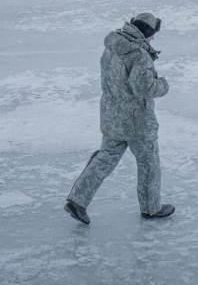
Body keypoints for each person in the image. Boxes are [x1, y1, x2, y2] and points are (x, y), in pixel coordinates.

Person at [65, 12, 174, 224]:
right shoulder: (139, 55)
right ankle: (151, 208)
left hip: (112, 115)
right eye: (152, 35)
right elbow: (144, 87)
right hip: (137, 121)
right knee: (149, 163)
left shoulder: (113, 47)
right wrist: (163, 85)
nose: (152, 39)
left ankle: (77, 200)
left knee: (105, 157)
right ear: (146, 32)